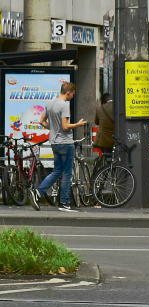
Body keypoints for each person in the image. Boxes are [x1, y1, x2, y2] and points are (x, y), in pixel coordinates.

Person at [33, 82, 87, 212]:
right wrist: (78, 124)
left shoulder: (50, 103)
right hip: (65, 143)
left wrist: (53, 129)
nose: (73, 96)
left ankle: (38, 193)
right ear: (68, 92)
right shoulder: (64, 105)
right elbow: (65, 126)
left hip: (54, 143)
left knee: (57, 171)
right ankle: (64, 203)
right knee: (67, 173)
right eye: (73, 93)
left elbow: (41, 121)